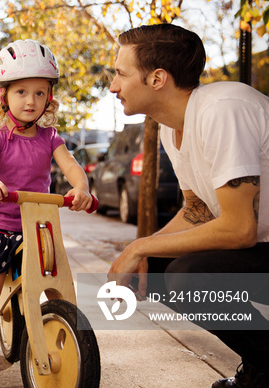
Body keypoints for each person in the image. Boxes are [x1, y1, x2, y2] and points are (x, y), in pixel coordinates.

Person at [107, 23, 269, 388]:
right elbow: (199, 209)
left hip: (260, 244)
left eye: (120, 73)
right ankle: (261, 364)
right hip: (263, 247)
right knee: (159, 269)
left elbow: (240, 229)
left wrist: (139, 246)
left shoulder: (223, 108)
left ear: (157, 78)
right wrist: (147, 251)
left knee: (188, 276)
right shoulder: (170, 126)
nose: (113, 86)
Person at [0, 39, 93, 387]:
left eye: (40, 93)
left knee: (60, 289)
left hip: (39, 226)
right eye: (22, 91)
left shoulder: (50, 137)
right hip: (1, 226)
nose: (30, 101)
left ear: (49, 98)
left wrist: (79, 188)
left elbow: (70, 166)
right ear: (3, 96)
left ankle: (66, 344)